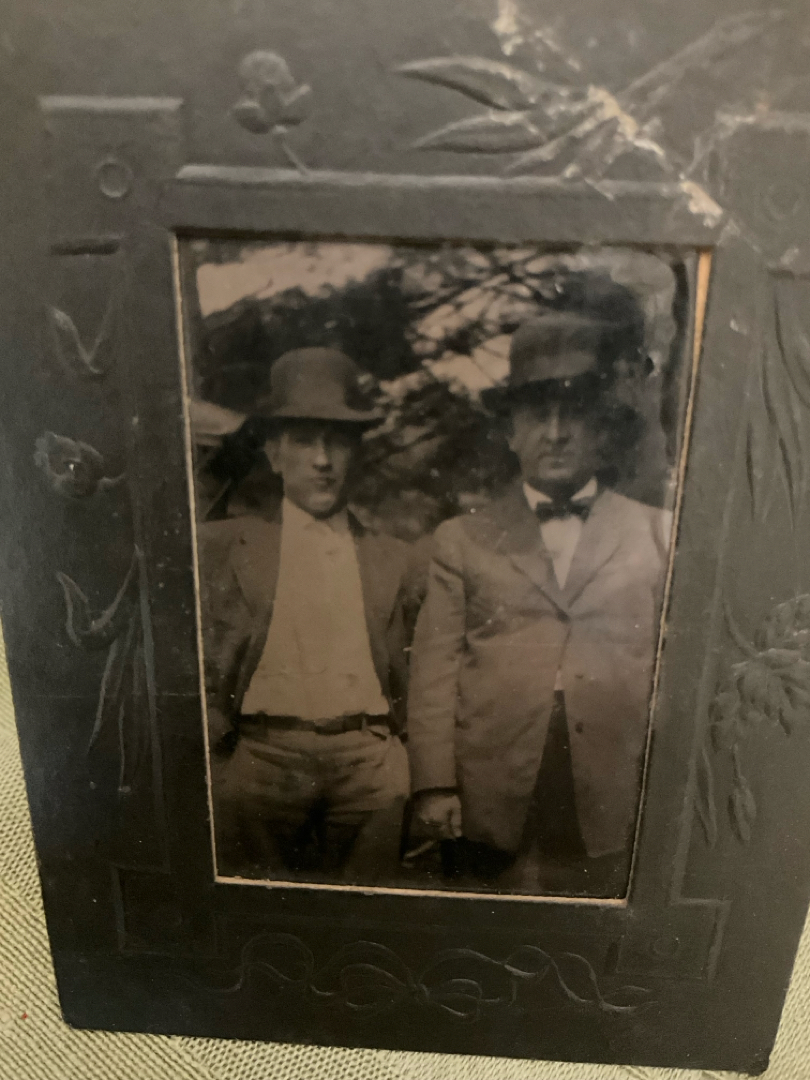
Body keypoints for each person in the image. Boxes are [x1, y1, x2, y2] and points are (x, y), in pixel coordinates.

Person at [406, 299, 672, 896]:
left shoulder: (657, 533)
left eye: (573, 412)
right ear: (509, 431)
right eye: (535, 415)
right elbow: (433, 672)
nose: (555, 433)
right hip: (490, 781)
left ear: (602, 425)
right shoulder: (463, 538)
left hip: (611, 783)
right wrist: (434, 784)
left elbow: (672, 670)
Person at [199, 347, 415, 884]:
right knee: (258, 913)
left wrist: (398, 765)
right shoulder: (225, 545)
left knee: (369, 915)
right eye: (303, 440)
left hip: (369, 766)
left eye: (338, 440)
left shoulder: (394, 557)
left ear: (357, 452)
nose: (322, 460)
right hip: (261, 759)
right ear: (274, 454)